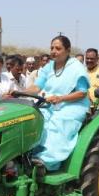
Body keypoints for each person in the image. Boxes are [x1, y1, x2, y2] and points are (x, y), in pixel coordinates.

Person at [20, 35, 90, 171]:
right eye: (52, 48)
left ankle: (47, 162)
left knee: (57, 122)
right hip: (50, 103)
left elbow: (82, 93)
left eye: (58, 48)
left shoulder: (76, 67)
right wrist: (19, 92)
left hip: (73, 105)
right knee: (35, 119)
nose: (53, 51)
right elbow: (37, 87)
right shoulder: (48, 67)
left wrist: (61, 98)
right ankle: (28, 156)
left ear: (68, 50)